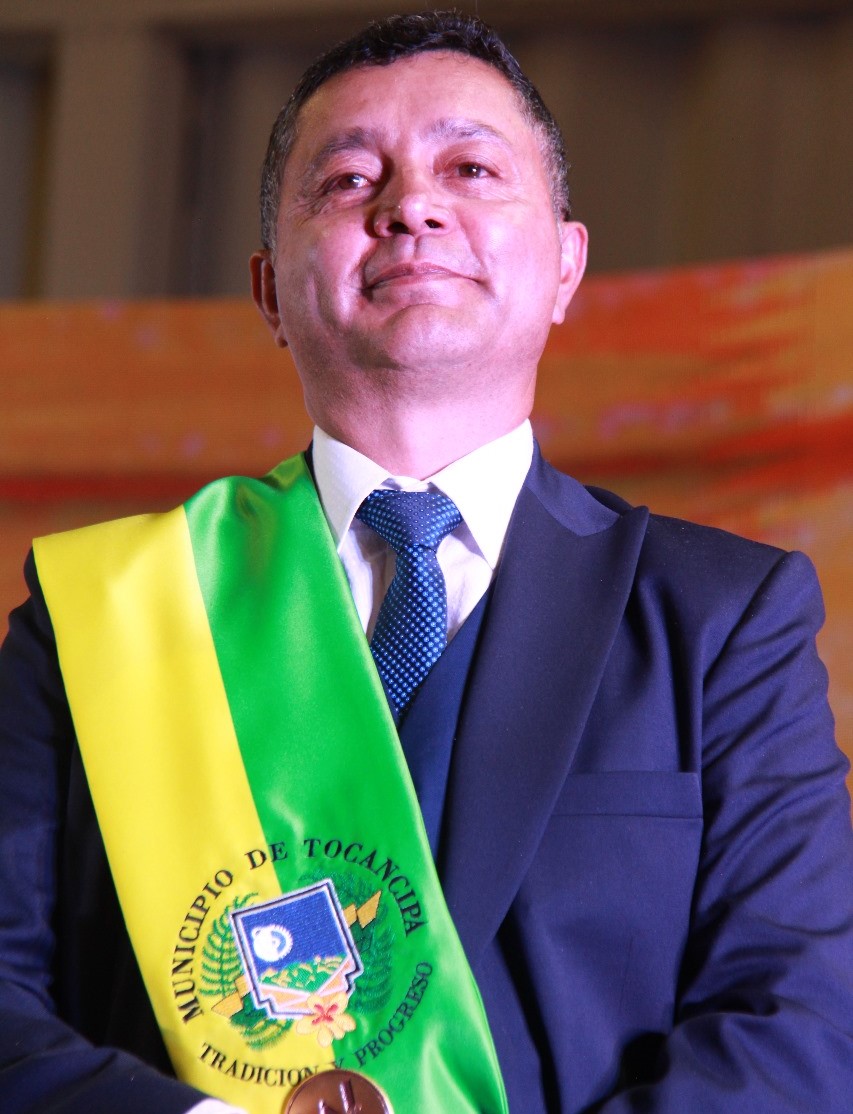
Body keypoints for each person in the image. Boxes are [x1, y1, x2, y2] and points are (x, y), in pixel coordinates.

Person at [1, 10, 852, 1114]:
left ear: (565, 266)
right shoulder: (102, 617)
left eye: (470, 169)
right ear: (268, 290)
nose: (410, 206)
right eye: (349, 180)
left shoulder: (723, 619)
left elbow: (797, 1027)